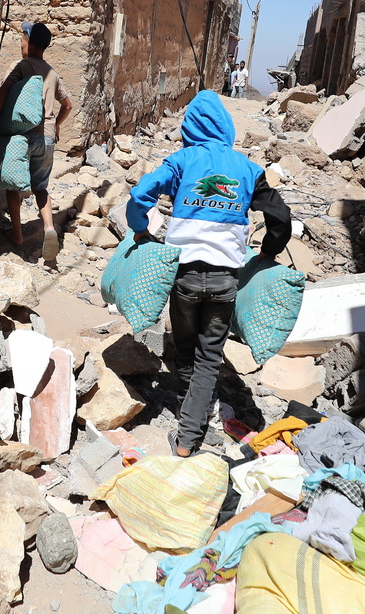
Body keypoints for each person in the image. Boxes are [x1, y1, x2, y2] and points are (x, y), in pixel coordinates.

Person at [125, 91, 291, 457]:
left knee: (184, 347)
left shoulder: (182, 160)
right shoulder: (247, 168)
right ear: (226, 128)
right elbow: (280, 216)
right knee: (209, 355)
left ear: (191, 128)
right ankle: (191, 429)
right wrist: (268, 251)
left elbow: (140, 194)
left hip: (183, 277)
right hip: (224, 282)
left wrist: (140, 229)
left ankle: (186, 425)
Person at [0, 21, 72, 261]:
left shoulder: (22, 66)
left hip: (24, 135)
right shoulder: (52, 73)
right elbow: (68, 105)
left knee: (13, 185)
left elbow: (3, 92)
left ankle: (17, 234)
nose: (20, 44)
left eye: (22, 41)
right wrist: (56, 125)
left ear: (30, 44)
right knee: (40, 187)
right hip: (47, 138)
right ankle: (49, 229)